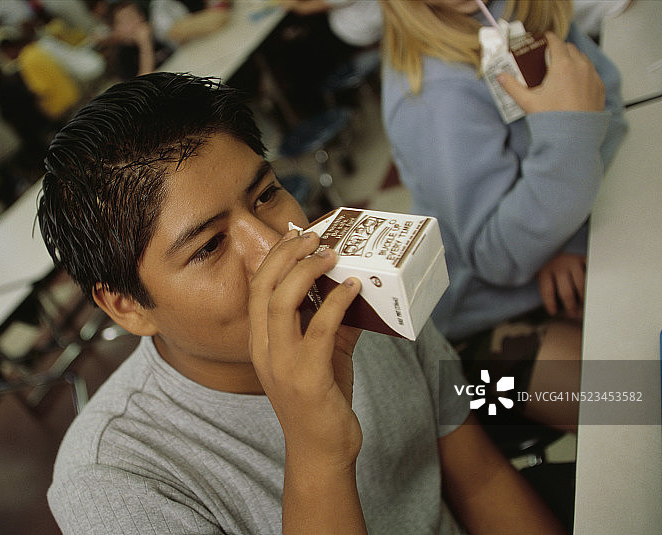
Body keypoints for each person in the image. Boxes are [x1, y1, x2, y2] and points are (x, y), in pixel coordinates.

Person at [38, 72, 566, 534]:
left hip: (496, 376)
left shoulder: (359, 293)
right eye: (209, 247)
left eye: (267, 195)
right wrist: (317, 453)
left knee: (613, 389)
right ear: (126, 306)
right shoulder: (113, 481)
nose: (276, 247)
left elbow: (480, 477)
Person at [379, 0, 627, 432]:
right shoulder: (429, 96)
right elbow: (494, 256)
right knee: (632, 405)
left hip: (551, 251)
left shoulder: (525, 13)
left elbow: (608, 114)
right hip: (476, 324)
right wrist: (567, 140)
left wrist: (563, 234)